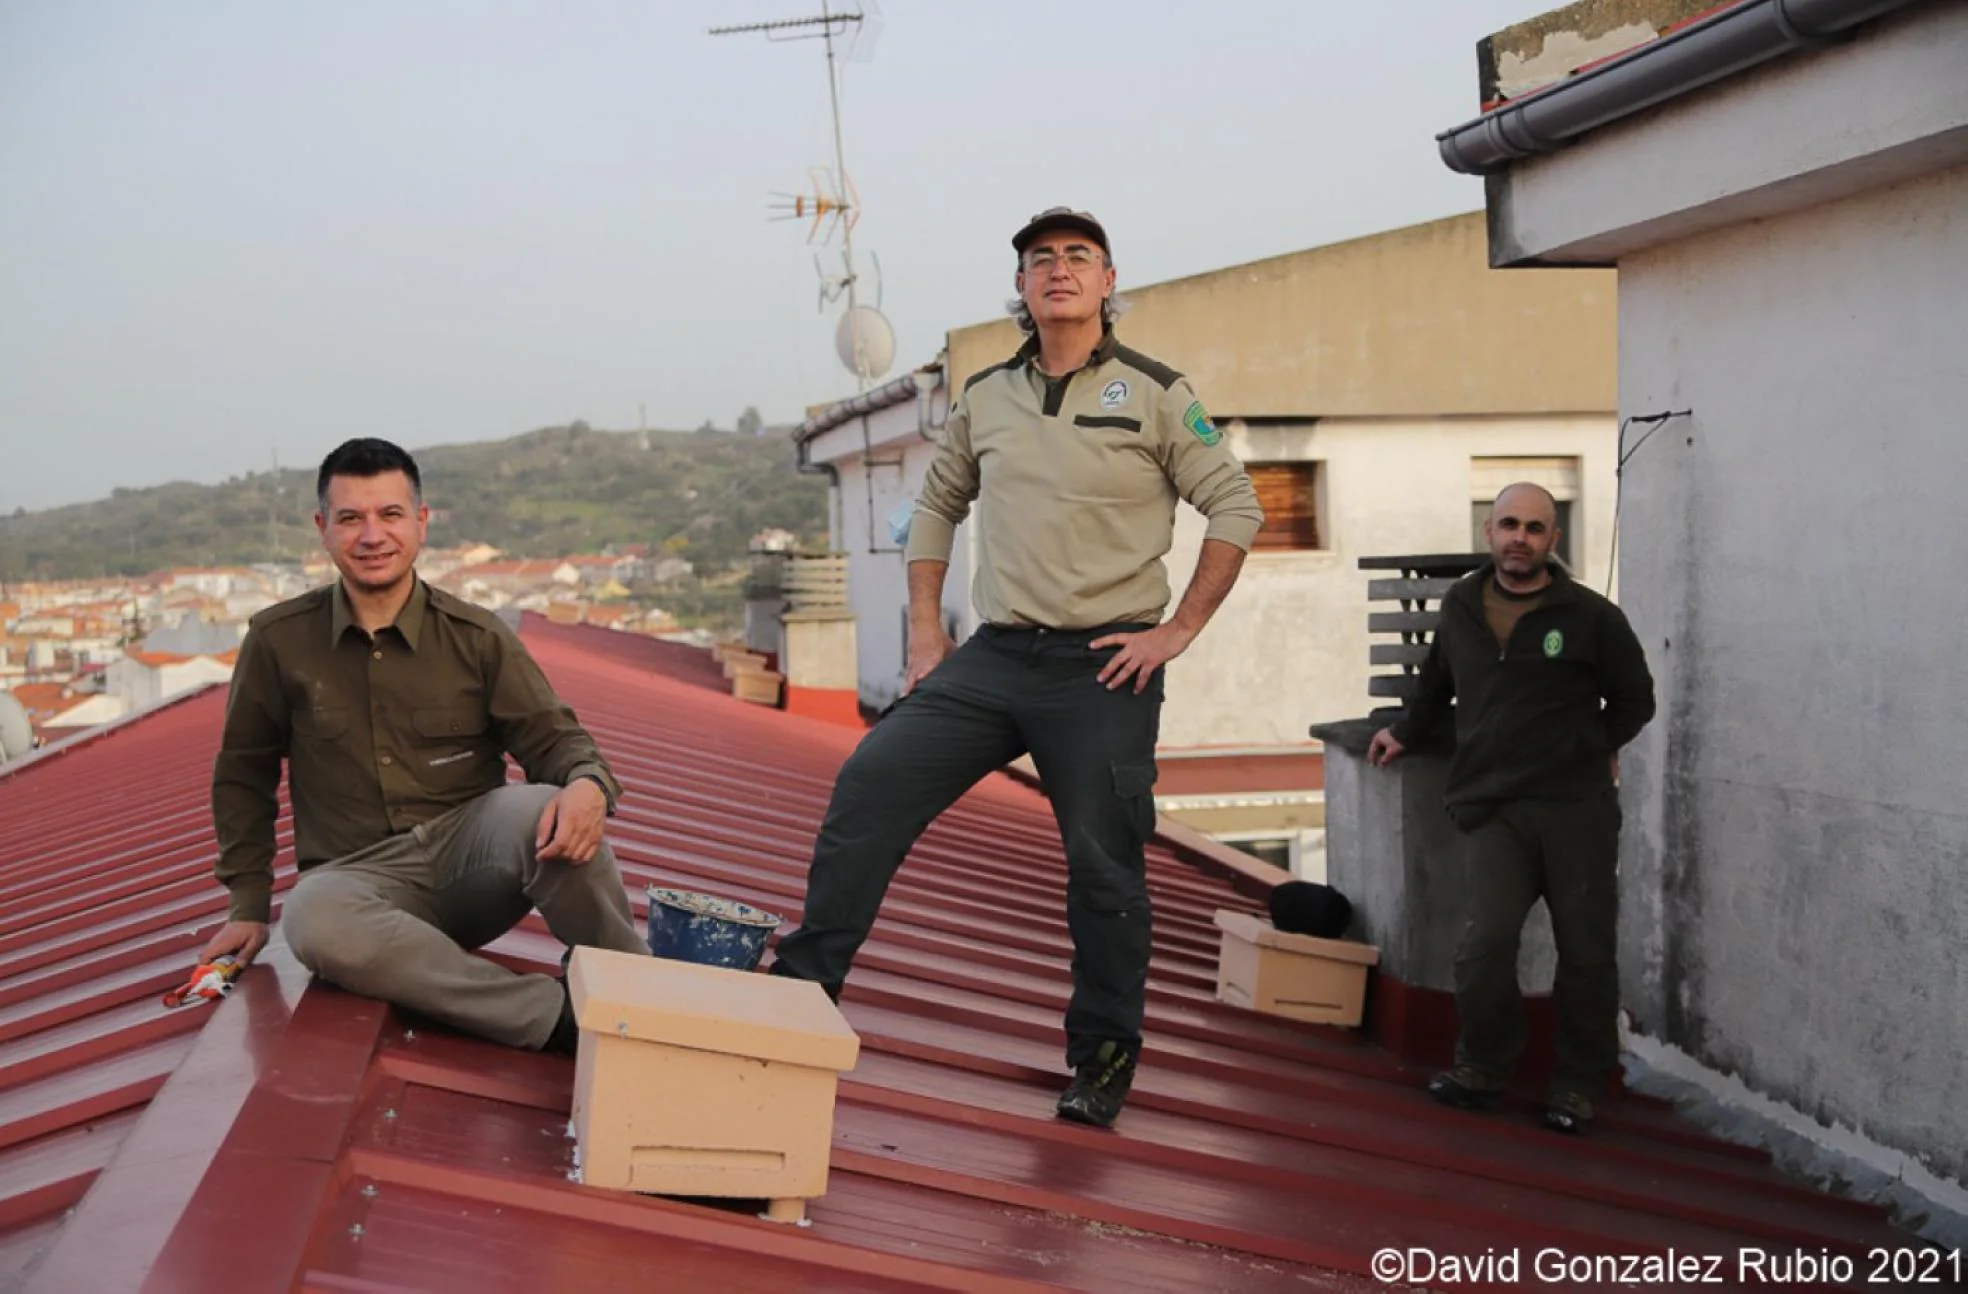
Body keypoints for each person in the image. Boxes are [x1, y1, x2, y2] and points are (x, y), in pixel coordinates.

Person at [771, 207, 1264, 1128]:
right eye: (1042, 260)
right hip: (994, 658)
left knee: (1105, 868)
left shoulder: (1157, 393)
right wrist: (927, 637)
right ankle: (800, 993)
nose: (1060, 270)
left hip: (1103, 668)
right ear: (1025, 288)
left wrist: (1177, 633)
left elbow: (1236, 509)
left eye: (1080, 257)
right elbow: (934, 510)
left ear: (1109, 282)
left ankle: (1103, 1058)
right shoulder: (987, 396)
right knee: (868, 785)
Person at [203, 438, 649, 1053]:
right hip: (358, 880)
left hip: (471, 865)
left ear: (421, 522)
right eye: (350, 518)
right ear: (322, 529)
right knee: (310, 917)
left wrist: (587, 785)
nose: (371, 535)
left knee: (547, 805)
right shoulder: (279, 640)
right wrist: (247, 905)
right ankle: (555, 1020)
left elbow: (554, 737)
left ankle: (640, 999)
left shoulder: (475, 636)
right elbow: (242, 775)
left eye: (389, 514)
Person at [1368, 482, 1655, 1133]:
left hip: (1575, 808)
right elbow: (1437, 682)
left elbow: (1636, 700)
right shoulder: (1463, 605)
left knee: (1584, 952)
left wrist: (1593, 747)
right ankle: (1483, 1067)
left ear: (1554, 540)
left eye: (1533, 527)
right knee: (1484, 945)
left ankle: (1578, 1085)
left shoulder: (1590, 617)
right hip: (1495, 806)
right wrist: (1405, 732)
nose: (1518, 537)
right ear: (1489, 532)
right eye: (1507, 525)